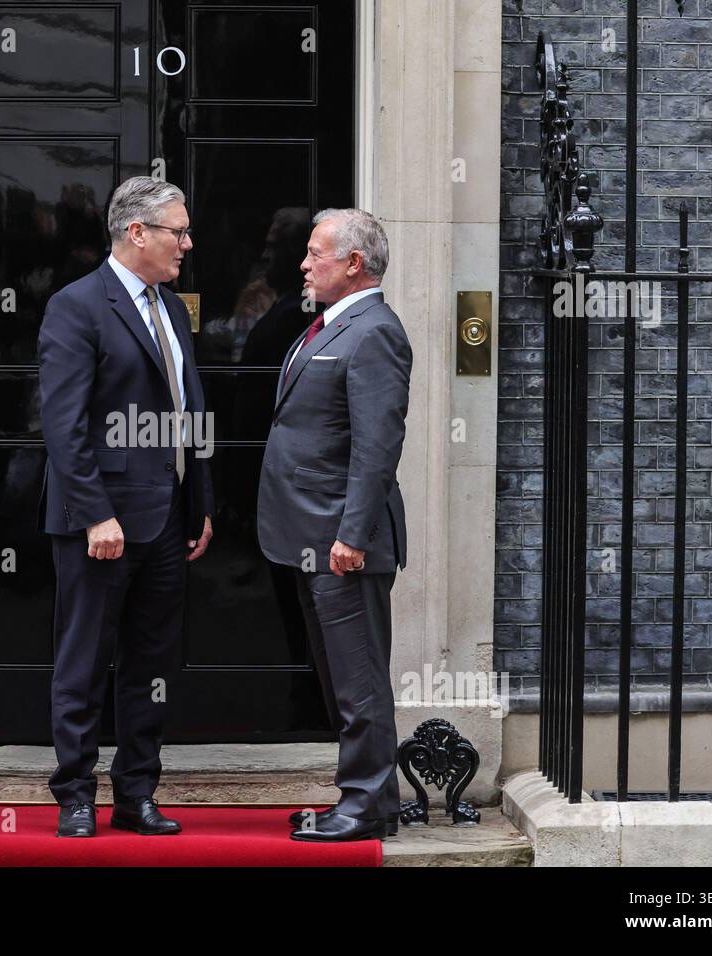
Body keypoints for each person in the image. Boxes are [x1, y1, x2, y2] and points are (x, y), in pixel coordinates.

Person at [37, 176, 214, 838]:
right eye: (179, 231)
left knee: (150, 664)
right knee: (83, 660)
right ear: (137, 232)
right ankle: (75, 793)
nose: (188, 243)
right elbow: (64, 425)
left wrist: (199, 501)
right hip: (101, 523)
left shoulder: (170, 308)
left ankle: (137, 792)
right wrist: (95, 514)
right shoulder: (76, 306)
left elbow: (186, 408)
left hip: (166, 519)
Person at [256, 207, 411, 842]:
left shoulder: (374, 331)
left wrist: (351, 534)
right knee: (340, 676)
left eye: (316, 253)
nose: (303, 262)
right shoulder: (331, 326)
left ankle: (364, 803)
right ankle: (373, 802)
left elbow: (377, 447)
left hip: (342, 540)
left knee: (359, 679)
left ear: (352, 263)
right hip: (311, 534)